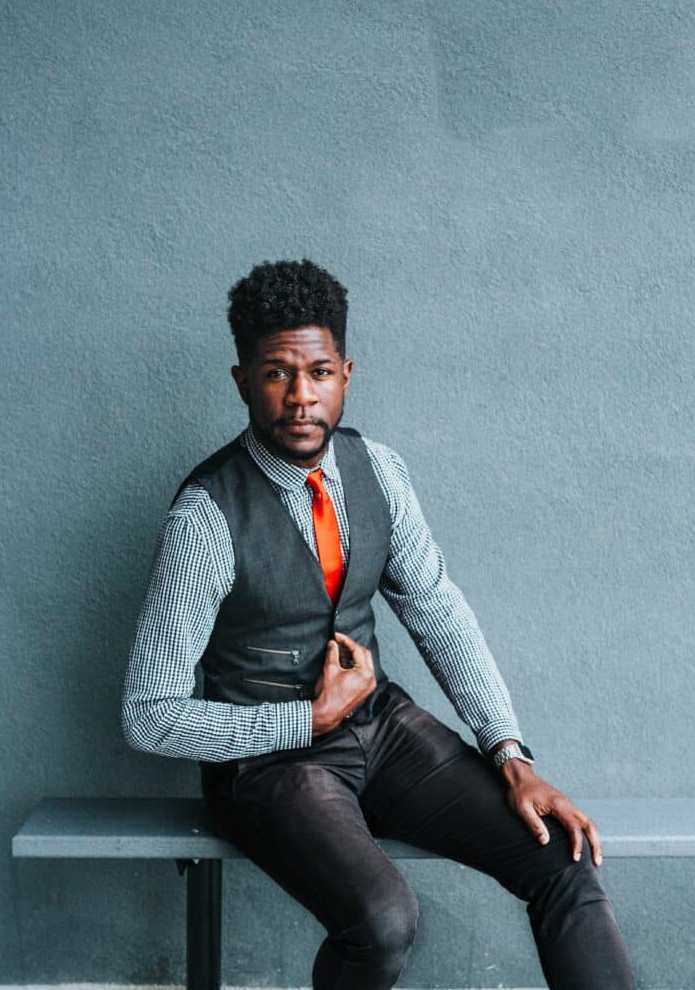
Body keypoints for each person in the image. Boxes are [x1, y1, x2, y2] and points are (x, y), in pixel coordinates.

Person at [121, 258, 636, 990]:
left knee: (561, 857)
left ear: (346, 373)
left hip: (382, 730)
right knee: (383, 919)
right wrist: (303, 719)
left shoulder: (379, 472)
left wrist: (510, 755)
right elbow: (147, 716)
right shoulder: (205, 517)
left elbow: (437, 612)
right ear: (242, 380)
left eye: (319, 371)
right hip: (269, 769)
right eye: (276, 374)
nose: (301, 397)